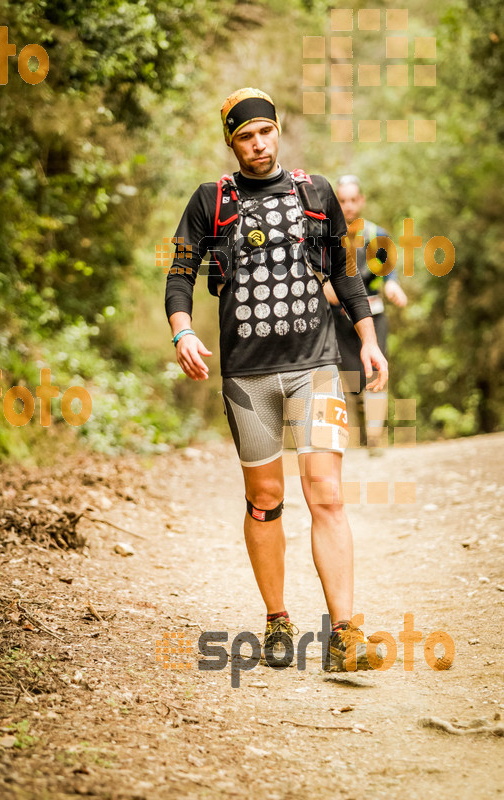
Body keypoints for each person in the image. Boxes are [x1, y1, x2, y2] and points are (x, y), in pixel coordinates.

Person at [164, 88, 388, 672]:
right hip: (248, 377)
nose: (258, 144)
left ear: (278, 130)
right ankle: (277, 620)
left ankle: (344, 634)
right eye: (245, 136)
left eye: (265, 131)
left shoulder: (316, 195)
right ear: (231, 142)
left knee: (328, 495)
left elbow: (343, 270)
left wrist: (366, 340)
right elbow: (181, 274)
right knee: (266, 501)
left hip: (316, 368)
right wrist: (183, 333)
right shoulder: (211, 201)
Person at [324, 175, 407, 454]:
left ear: (361, 201)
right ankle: (353, 437)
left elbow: (388, 270)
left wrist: (393, 285)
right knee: (348, 376)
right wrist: (324, 288)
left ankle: (374, 439)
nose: (348, 206)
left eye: (352, 200)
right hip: (339, 318)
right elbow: (318, 273)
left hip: (374, 313)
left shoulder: (375, 235)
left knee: (375, 369)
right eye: (342, 200)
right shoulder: (327, 236)